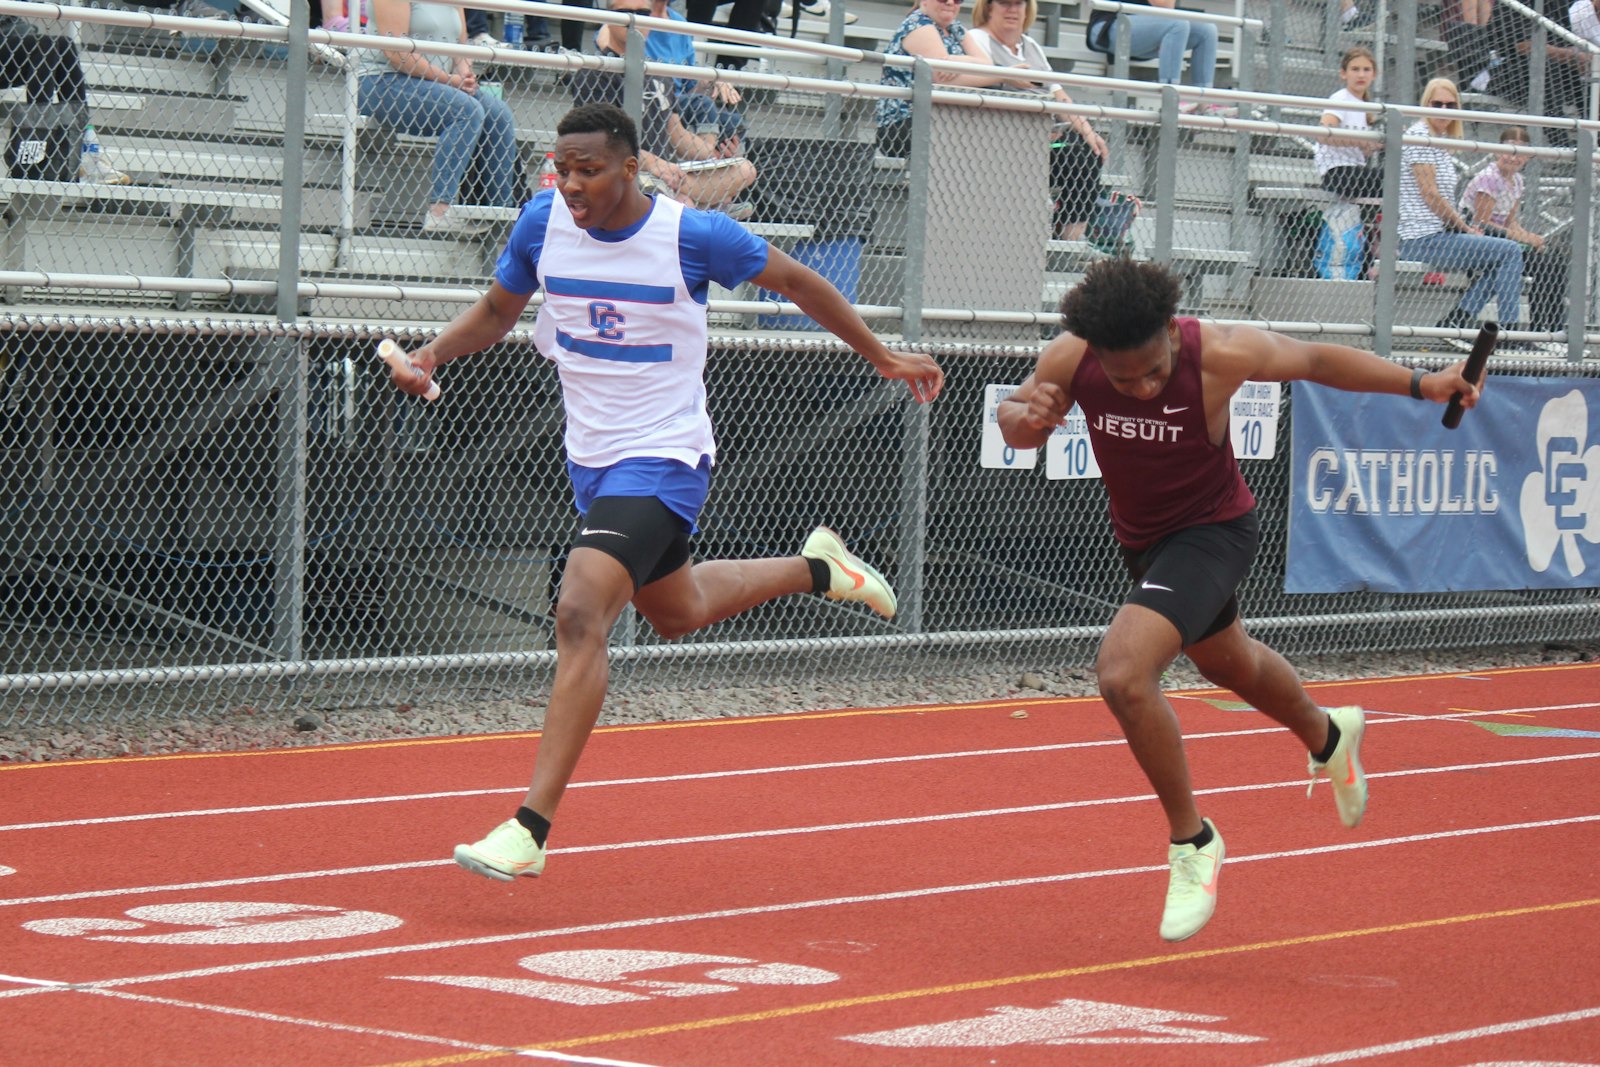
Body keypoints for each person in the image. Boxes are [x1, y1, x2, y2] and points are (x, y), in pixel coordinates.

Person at [380, 101, 944, 883]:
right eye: (562, 167)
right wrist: (432, 353)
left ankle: (530, 825)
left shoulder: (691, 236)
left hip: (667, 455)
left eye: (589, 169)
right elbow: (497, 312)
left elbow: (800, 281)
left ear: (631, 166)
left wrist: (881, 354)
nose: (571, 182)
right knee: (674, 611)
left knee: (581, 608)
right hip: (592, 462)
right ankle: (821, 567)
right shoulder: (542, 223)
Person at [996, 258, 1481, 942]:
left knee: (1124, 675)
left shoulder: (1221, 352)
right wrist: (1028, 416)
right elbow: (1016, 421)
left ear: (1171, 331)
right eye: (1123, 378)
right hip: (1143, 541)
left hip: (1214, 531)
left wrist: (1421, 382)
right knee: (1230, 663)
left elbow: (1314, 359)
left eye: (1153, 372)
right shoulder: (1072, 357)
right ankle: (1328, 733)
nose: (1139, 388)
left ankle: (1194, 842)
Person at [573, 0, 757, 215]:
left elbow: (676, 133)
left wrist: (714, 155)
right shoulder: (595, 72)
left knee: (744, 169)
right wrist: (653, 163)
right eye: (626, 13)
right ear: (609, 19)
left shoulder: (659, 72)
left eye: (643, 13)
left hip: (668, 174)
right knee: (682, 203)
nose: (635, 19)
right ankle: (703, 207)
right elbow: (601, 144)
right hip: (623, 171)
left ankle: (697, 205)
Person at [358, 0, 523, 235]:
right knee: (466, 110)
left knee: (499, 114)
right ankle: (440, 211)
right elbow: (398, 54)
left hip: (437, 82)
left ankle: (501, 213)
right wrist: (450, 79)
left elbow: (461, 47)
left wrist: (465, 74)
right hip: (382, 80)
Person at [1396, 77, 1524, 352]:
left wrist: (1460, 227)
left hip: (1438, 234)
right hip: (1421, 238)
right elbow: (1430, 194)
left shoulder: (1438, 139)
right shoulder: (1421, 136)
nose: (1444, 109)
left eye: (1450, 104)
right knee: (1510, 252)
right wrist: (1464, 228)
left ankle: (1457, 319)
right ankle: (1511, 333)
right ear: (1426, 104)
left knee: (1502, 259)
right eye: (1437, 103)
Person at [967, 0, 1106, 241]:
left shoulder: (1030, 45)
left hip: (1043, 142)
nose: (1012, 9)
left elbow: (1059, 96)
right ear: (988, 7)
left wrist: (1088, 132)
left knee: (1087, 150)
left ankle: (1070, 238)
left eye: (1018, 3)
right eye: (1004, 3)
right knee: (1074, 154)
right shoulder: (976, 40)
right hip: (1002, 143)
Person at [875, 0, 1025, 159]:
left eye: (957, 0)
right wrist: (1004, 76)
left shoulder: (955, 27)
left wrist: (951, 60)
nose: (950, 3)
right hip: (905, 123)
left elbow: (987, 64)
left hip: (948, 119)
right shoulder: (918, 25)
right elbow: (943, 79)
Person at [1459, 125, 1568, 343]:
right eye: (1510, 150)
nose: (1514, 157)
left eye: (1521, 152)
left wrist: (1530, 237)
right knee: (1541, 264)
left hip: (1503, 238)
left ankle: (1548, 329)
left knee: (1555, 262)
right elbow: (1482, 222)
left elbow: (1510, 221)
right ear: (1499, 151)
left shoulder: (1517, 180)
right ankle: (1529, 332)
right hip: (1480, 239)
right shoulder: (1489, 178)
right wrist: (1522, 238)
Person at [0, 16, 131, 185]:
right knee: (44, 45)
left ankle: (84, 156)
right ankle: (37, 157)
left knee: (65, 44)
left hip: (10, 35)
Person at [642, 0, 747, 154]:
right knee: (702, 105)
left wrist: (712, 79)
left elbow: (689, 89)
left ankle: (719, 162)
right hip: (650, 99)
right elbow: (605, 41)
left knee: (733, 121)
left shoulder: (679, 22)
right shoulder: (634, 14)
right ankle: (707, 161)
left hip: (678, 103)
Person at [1083, 0, 1223, 112]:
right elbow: (1164, 5)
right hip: (1107, 27)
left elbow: (1166, 8)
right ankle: (1171, 99)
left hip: (1140, 28)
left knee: (1207, 30)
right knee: (1178, 24)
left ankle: (1204, 102)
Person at [1315, 45, 1382, 203]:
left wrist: (1378, 144)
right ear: (1344, 73)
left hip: (1354, 170)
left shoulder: (1365, 105)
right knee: (1397, 180)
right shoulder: (1341, 98)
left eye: (1366, 70)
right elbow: (1323, 134)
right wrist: (1363, 140)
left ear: (1374, 74)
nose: (1361, 75)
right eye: (1355, 69)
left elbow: (1360, 150)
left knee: (1400, 179)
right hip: (1337, 173)